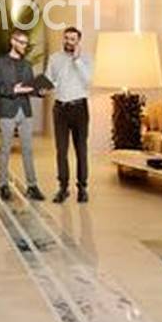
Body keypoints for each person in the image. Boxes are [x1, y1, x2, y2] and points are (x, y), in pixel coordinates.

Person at [0, 30, 45, 202]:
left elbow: (30, 88)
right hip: (7, 111)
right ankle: (3, 185)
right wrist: (14, 89)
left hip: (25, 111)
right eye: (21, 42)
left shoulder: (27, 65)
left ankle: (32, 186)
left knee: (28, 150)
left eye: (26, 43)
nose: (24, 46)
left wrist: (39, 92)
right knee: (5, 149)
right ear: (13, 41)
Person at [46, 26, 93, 204]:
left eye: (73, 39)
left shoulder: (86, 58)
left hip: (79, 108)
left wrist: (77, 60)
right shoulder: (55, 58)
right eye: (66, 38)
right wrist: (42, 87)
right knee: (61, 150)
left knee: (81, 149)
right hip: (60, 109)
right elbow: (49, 79)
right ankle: (63, 188)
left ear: (78, 41)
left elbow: (88, 81)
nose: (69, 42)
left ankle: (82, 188)